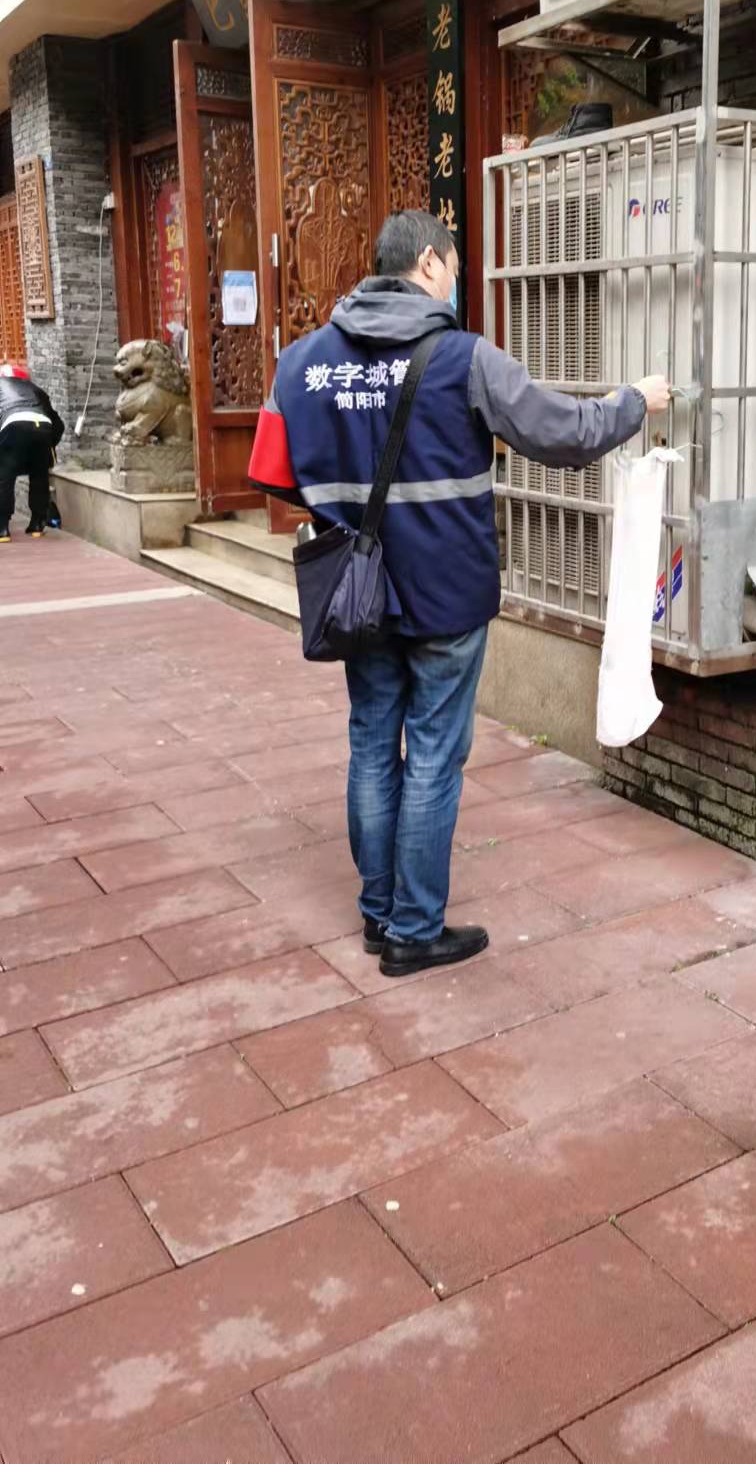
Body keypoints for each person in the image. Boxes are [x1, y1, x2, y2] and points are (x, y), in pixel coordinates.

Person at [248, 210, 669, 979]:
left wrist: (343, 500)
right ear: (430, 264)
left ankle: (379, 915)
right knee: (434, 755)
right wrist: (634, 401)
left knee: (371, 741)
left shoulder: (300, 362)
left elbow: (271, 474)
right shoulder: (465, 358)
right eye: (454, 268)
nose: (455, 282)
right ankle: (414, 930)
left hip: (355, 593)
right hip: (446, 591)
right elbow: (565, 434)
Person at [0, 363, 64, 543]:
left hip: (12, 424)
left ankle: (2, 528)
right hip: (43, 426)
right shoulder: (36, 390)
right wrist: (49, 446)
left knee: (4, 477)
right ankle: (37, 524)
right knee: (39, 474)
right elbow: (58, 424)